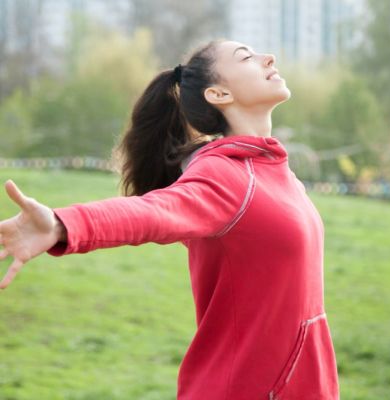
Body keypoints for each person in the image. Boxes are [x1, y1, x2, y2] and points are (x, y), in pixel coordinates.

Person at [0, 39, 340, 399]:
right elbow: (153, 210)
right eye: (246, 57)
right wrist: (62, 224)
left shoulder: (275, 171)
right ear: (219, 93)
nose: (267, 56)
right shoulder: (225, 174)